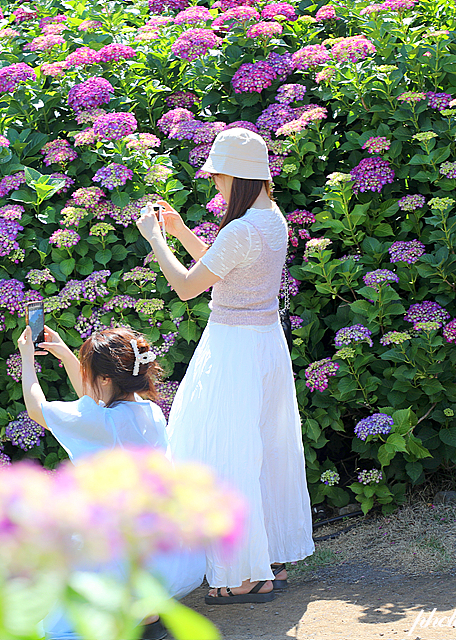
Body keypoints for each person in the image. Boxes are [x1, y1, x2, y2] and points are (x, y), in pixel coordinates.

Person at [135, 127, 315, 605]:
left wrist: (156, 240)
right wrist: (180, 232)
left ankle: (243, 574)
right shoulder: (271, 218)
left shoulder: (241, 229)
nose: (214, 185)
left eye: (217, 177)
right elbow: (221, 265)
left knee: (222, 450)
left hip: (234, 348)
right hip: (263, 345)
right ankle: (261, 558)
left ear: (236, 177)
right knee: (259, 448)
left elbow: (188, 286)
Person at [18, 324, 205, 639]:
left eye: (90, 371)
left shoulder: (101, 422)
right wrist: (64, 352)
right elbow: (94, 403)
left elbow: (38, 409)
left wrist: (27, 357)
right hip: (169, 547)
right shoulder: (149, 412)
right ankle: (147, 618)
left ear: (105, 379)